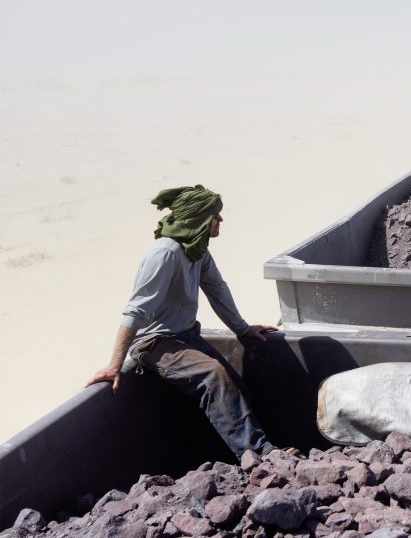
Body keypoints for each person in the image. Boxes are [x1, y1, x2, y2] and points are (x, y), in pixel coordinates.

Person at [85, 185, 282, 458]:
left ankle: (235, 452)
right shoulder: (164, 254)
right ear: (199, 217)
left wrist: (243, 329)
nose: (221, 221)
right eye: (216, 215)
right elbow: (134, 311)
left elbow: (217, 289)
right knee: (214, 375)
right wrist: (114, 366)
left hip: (186, 335)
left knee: (237, 386)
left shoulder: (196, 249)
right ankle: (259, 457)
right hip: (155, 343)